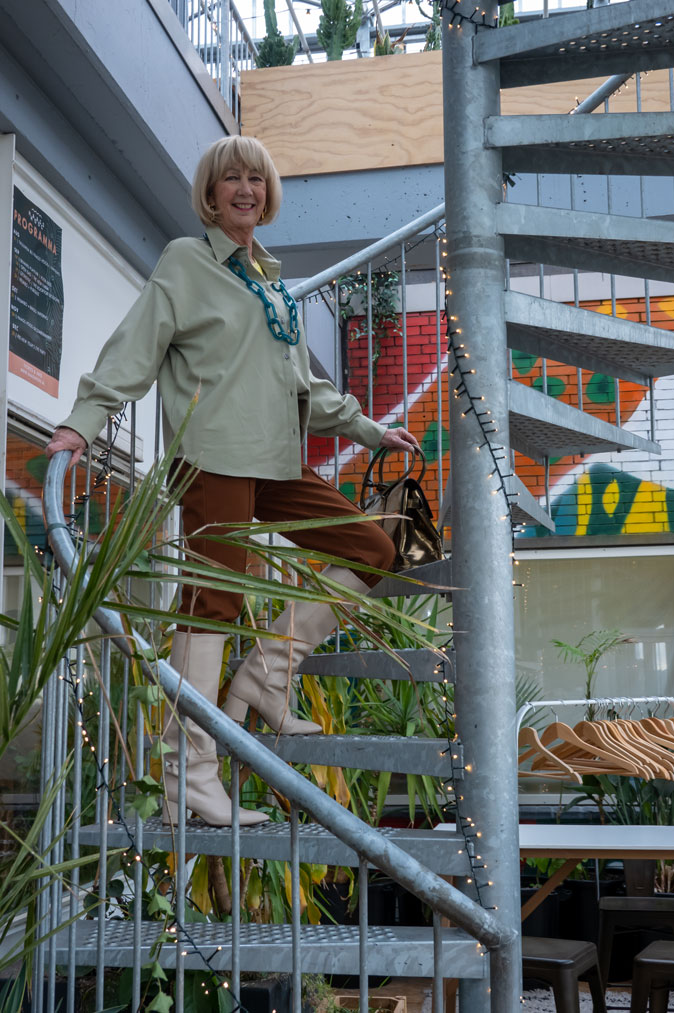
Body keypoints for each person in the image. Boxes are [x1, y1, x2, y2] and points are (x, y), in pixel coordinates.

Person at [46, 135, 419, 828]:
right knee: (208, 604)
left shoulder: (270, 279)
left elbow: (303, 385)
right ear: (210, 196)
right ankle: (190, 773)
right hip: (213, 456)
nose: (244, 189)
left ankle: (268, 673)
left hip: (277, 458)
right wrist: (84, 419)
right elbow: (136, 345)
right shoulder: (186, 262)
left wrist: (370, 429)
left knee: (374, 548)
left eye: (255, 178)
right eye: (230, 180)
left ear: (267, 193)